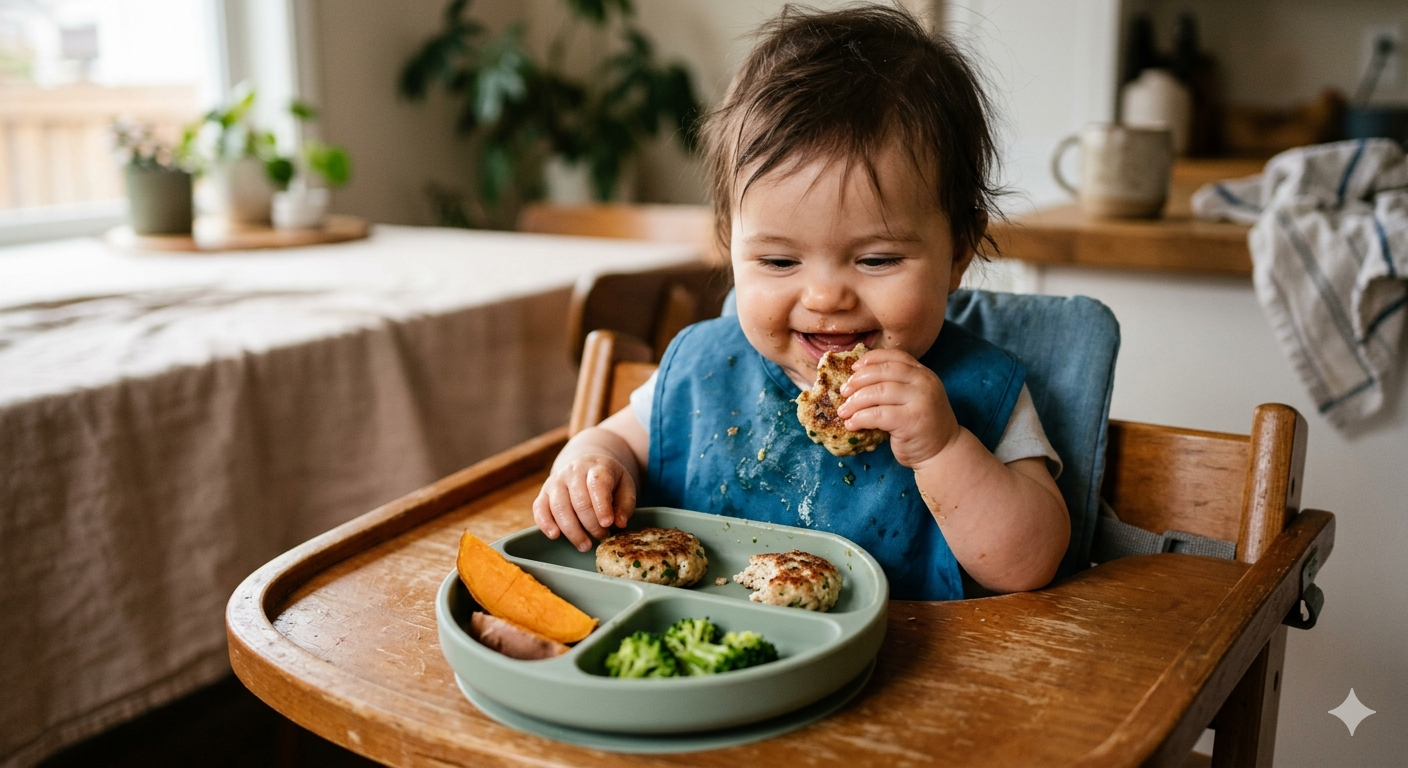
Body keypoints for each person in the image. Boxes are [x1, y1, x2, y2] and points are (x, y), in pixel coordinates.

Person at [532, 4, 1069, 599]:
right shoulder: (704, 366)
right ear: (729, 247)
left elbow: (1030, 563)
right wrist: (587, 468)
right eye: (780, 261)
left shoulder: (980, 390)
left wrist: (943, 448)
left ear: (958, 251)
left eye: (877, 259)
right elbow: (614, 442)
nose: (825, 297)